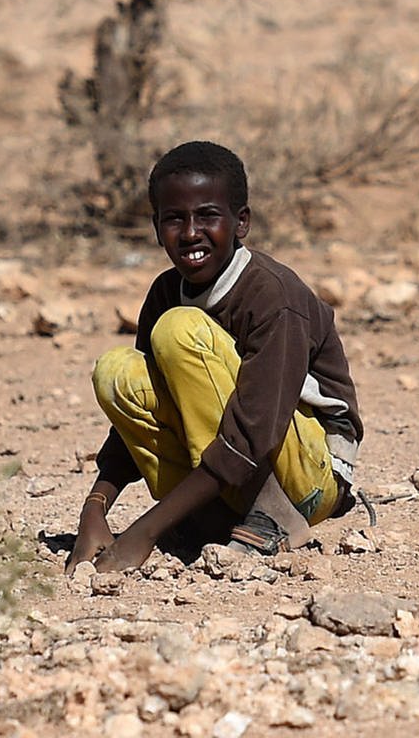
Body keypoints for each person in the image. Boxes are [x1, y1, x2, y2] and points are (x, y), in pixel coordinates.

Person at [67, 141, 363, 573]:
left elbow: (256, 431)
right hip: (234, 467)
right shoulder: (165, 292)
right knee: (118, 371)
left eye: (207, 216)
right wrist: (95, 508)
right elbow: (142, 411)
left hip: (306, 473)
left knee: (179, 330)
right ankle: (211, 516)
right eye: (174, 219)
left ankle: (274, 516)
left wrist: (143, 532)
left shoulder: (271, 296)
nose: (190, 233)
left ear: (241, 222)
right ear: (156, 227)